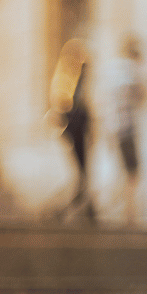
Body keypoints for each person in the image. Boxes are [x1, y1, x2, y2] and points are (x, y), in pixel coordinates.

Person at [49, 37, 95, 225]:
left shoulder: (80, 78)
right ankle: (77, 208)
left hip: (81, 127)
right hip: (73, 126)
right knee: (80, 171)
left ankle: (87, 209)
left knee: (83, 171)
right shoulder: (65, 77)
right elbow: (61, 103)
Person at [107, 34, 147, 226]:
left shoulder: (114, 70)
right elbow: (141, 94)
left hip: (115, 128)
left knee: (124, 172)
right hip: (127, 129)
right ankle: (129, 215)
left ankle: (125, 212)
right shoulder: (130, 70)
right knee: (132, 173)